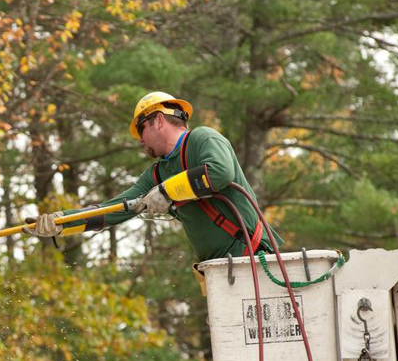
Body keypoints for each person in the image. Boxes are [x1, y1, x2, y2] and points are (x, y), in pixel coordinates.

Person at [24, 91, 283, 263]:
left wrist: (168, 192)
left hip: (257, 259)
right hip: (219, 271)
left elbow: (219, 172)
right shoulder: (156, 174)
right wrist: (63, 222)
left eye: (141, 129)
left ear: (158, 120)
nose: (139, 140)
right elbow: (114, 209)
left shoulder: (202, 139)